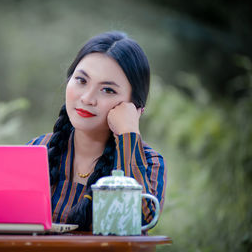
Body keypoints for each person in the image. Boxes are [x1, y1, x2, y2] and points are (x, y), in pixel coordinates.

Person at [27, 31, 166, 231]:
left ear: (134, 107)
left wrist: (128, 134)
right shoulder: (37, 151)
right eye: (81, 81)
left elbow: (140, 221)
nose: (87, 98)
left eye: (108, 90)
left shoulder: (151, 162)